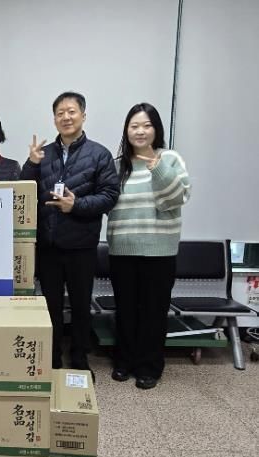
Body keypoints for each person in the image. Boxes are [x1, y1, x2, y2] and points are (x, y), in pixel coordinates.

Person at [21, 91, 120, 381]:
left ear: (83, 116)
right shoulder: (43, 154)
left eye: (72, 111)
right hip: (48, 245)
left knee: (80, 305)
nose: (66, 117)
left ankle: (79, 357)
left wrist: (76, 205)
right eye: (60, 113)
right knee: (49, 305)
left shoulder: (99, 154)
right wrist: (31, 163)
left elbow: (110, 196)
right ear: (54, 119)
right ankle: (51, 357)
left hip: (81, 245)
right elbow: (24, 192)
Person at [107, 103, 191, 389]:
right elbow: (107, 201)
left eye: (146, 125)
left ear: (156, 129)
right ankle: (124, 361)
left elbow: (177, 198)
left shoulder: (170, 158)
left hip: (159, 250)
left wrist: (158, 168)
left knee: (154, 311)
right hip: (121, 248)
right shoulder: (118, 165)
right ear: (126, 130)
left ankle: (149, 367)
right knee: (126, 309)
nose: (140, 131)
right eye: (134, 126)